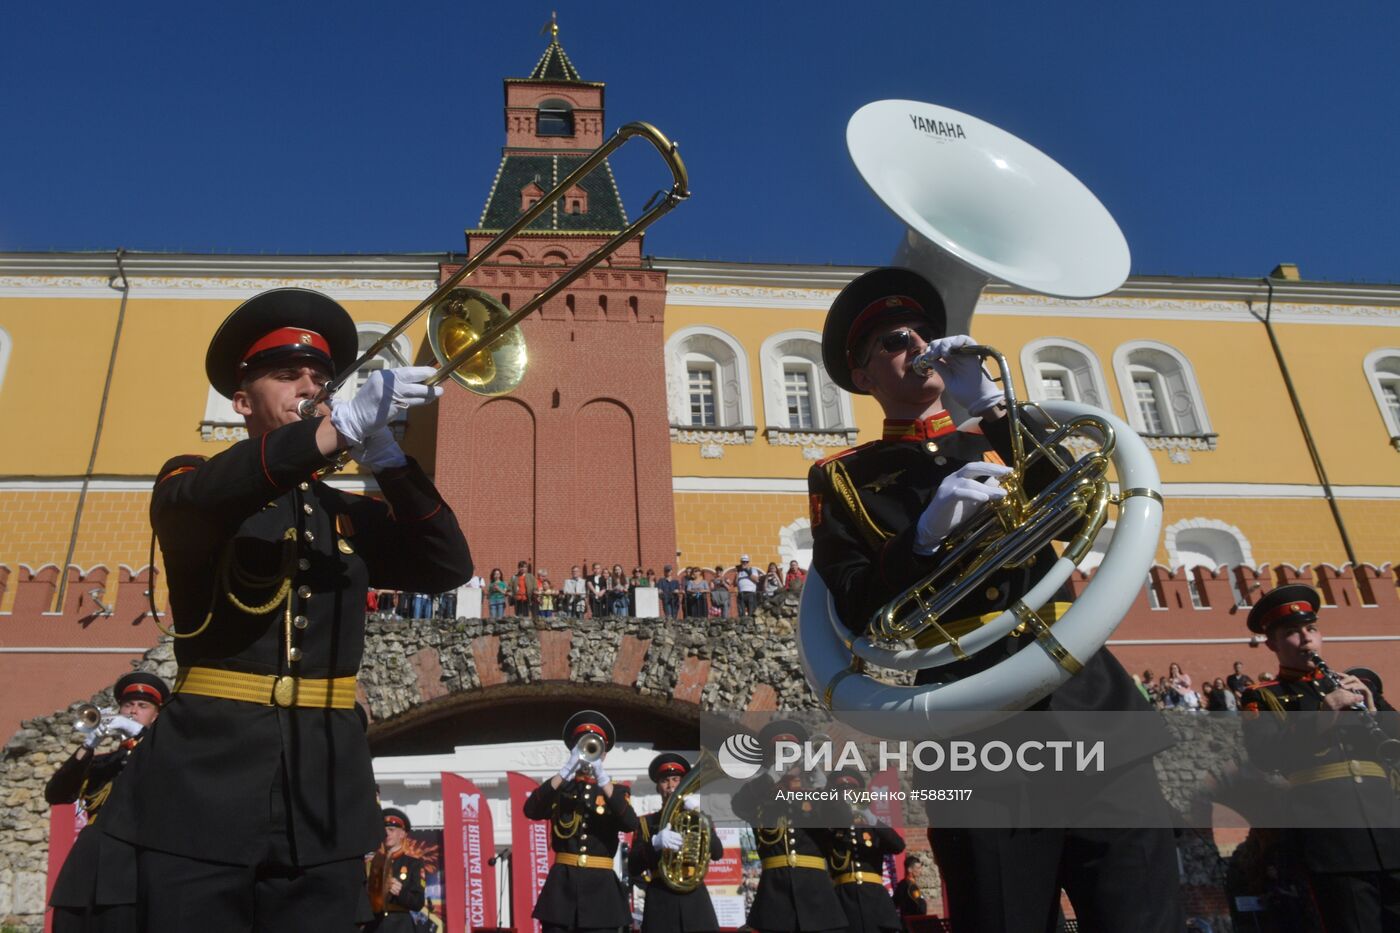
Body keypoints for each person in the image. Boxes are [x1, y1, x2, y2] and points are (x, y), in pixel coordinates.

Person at [808, 267, 1180, 933]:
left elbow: (1081, 508)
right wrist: (921, 538)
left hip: (1086, 700)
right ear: (863, 374)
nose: (919, 344)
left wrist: (997, 414)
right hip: (966, 720)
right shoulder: (844, 477)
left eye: (926, 330)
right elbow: (860, 606)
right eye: (895, 340)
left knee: (1143, 914)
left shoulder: (1003, 427)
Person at [98, 287, 473, 931]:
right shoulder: (189, 479)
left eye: (320, 378)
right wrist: (334, 431)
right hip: (205, 783)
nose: (308, 385)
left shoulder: (342, 513)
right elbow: (212, 497)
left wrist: (387, 459)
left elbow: (447, 566)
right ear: (242, 402)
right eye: (286, 375)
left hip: (324, 789)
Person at [1238, 584, 1400, 933]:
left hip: (1389, 825)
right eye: (1292, 633)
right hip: (1333, 840)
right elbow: (1265, 755)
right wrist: (1322, 715)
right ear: (1272, 644)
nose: (1306, 640)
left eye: (1311, 630)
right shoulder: (1264, 696)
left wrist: (1374, 708)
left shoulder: (1352, 685)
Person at [46, 671, 170, 933]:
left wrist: (141, 737)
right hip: (86, 866)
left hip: (127, 867)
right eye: (128, 705)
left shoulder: (161, 753)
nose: (133, 711)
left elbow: (164, 779)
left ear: (156, 715)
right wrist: (88, 746)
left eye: (143, 706)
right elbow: (57, 794)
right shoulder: (103, 762)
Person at [523, 710, 640, 933]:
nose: (589, 751)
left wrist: (603, 780)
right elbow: (531, 810)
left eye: (595, 747)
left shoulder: (615, 792)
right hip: (562, 889)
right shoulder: (560, 788)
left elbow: (630, 823)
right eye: (582, 745)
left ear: (603, 754)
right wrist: (566, 770)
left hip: (600, 892)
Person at [731, 720, 845, 933]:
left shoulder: (818, 797)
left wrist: (821, 783)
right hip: (775, 898)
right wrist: (772, 776)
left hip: (817, 897)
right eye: (780, 755)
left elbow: (843, 818)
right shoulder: (761, 799)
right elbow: (739, 804)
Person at [629, 753, 724, 933]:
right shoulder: (646, 823)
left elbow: (717, 853)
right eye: (665, 781)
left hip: (695, 897)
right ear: (658, 787)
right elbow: (633, 866)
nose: (671, 786)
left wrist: (700, 815)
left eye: (675, 780)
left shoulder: (698, 817)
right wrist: (655, 843)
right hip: (660, 898)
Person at [822, 768, 905, 933]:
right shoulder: (832, 829)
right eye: (842, 792)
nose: (847, 796)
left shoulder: (872, 827)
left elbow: (898, 846)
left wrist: (870, 816)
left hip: (874, 899)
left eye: (852, 791)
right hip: (843, 899)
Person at [364, 808, 426, 932]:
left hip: (400, 926)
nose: (387, 834)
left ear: (402, 834)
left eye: (391, 830)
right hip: (374, 926)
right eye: (384, 830)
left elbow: (418, 903)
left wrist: (400, 892)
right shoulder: (370, 863)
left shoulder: (413, 864)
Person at [890, 855, 928, 930]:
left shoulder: (901, 884)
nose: (920, 870)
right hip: (914, 925)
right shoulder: (912, 887)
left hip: (904, 924)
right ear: (909, 869)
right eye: (918, 868)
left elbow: (893, 904)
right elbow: (922, 907)